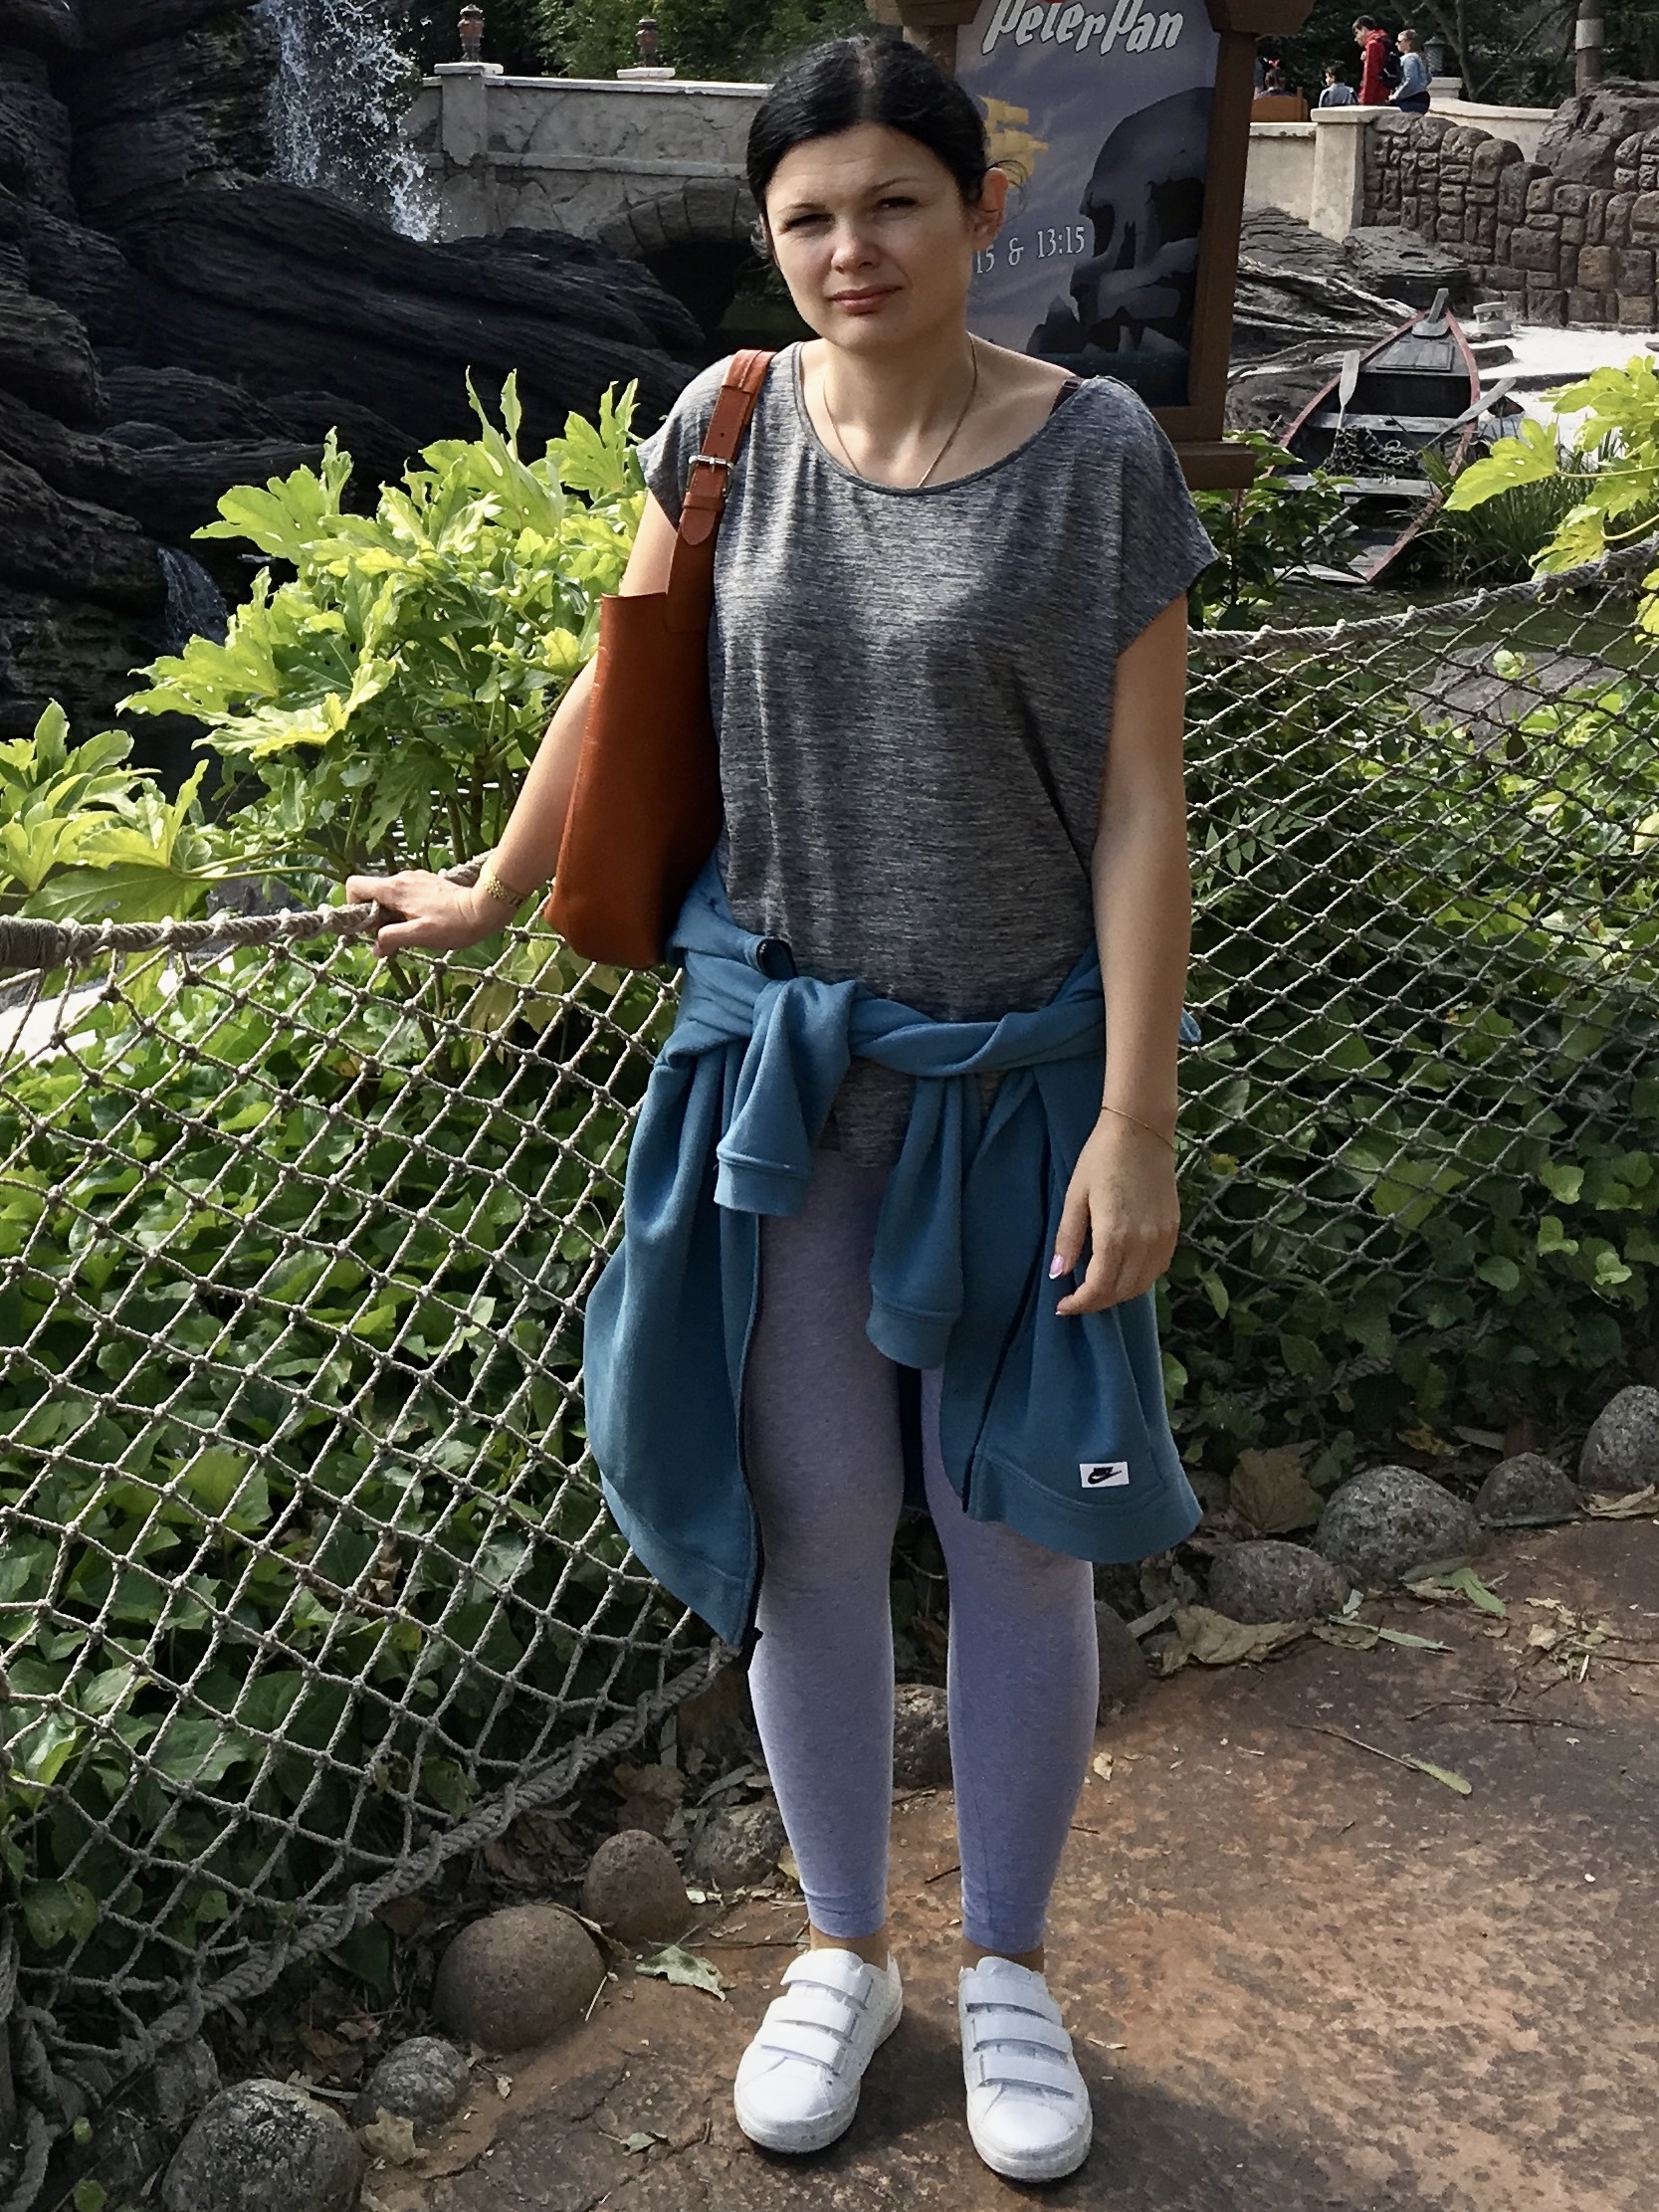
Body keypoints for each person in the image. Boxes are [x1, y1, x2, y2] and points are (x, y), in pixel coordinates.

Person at [346, 32, 1214, 2188]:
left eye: (893, 202)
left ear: (977, 210)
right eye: (807, 215)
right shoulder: (723, 422)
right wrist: (492, 889)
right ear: (767, 234)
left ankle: (1005, 1963)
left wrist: (1135, 1117)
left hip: (1012, 1094)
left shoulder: (1092, 452)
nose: (851, 248)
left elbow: (1138, 801)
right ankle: (842, 1946)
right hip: (775, 1087)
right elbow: (620, 672)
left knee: (1014, 1539)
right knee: (810, 1534)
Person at [1390, 26, 1432, 112]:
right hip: (1422, 99)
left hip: (1411, 100)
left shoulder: (1409, 58)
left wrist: (1396, 95)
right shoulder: (1421, 57)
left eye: (1399, 41)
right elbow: (1428, 79)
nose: (1396, 44)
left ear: (1409, 42)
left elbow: (1410, 80)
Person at [1352, 14, 1391, 103]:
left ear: (1364, 29)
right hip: (1386, 92)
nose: (1356, 38)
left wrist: (1365, 99)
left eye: (1357, 32)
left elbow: (1371, 74)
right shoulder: (1383, 41)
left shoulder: (1372, 45)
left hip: (1375, 96)